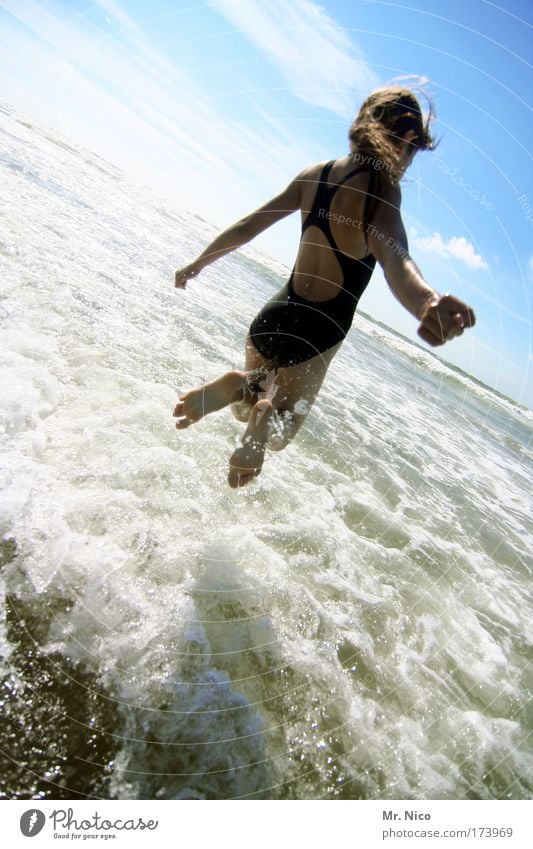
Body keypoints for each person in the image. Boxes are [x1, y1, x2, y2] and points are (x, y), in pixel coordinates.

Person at [173, 86, 475, 488]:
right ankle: (263, 422)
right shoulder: (381, 193)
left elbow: (248, 226)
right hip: (317, 334)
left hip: (273, 316)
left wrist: (198, 263)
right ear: (405, 141)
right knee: (279, 434)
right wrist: (426, 302)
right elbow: (395, 258)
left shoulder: (314, 175)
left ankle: (237, 389)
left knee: (248, 399)